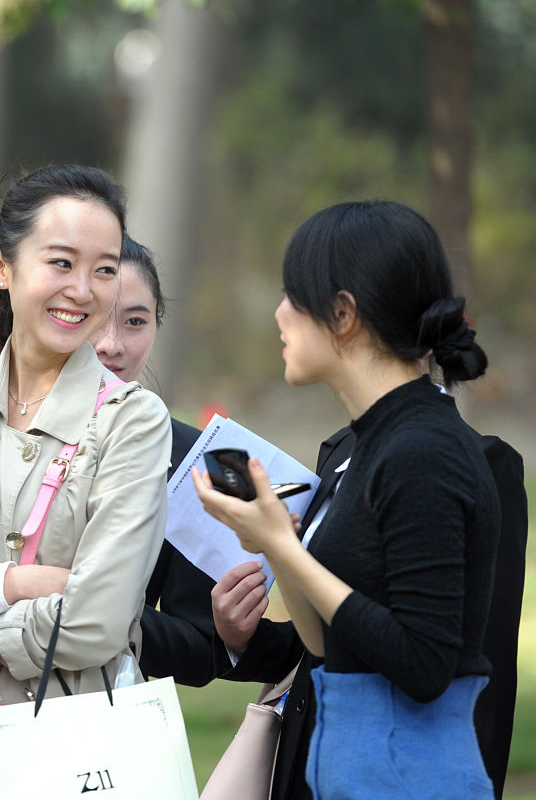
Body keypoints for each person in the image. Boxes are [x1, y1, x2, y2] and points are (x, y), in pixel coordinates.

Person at [193, 200, 499, 798]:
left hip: (409, 779)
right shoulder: (368, 443)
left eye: (292, 294)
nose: (279, 314)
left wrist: (284, 544)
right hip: (353, 774)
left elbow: (423, 664)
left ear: (343, 314)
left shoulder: (424, 453)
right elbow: (325, 643)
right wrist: (274, 544)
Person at [0, 165, 172, 703]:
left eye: (104, 269)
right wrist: (6, 588)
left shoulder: (131, 421)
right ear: (2, 267)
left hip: (67, 748)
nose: (82, 290)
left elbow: (98, 621)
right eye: (61, 263)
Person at [212, 424, 526, 799]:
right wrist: (243, 638)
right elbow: (322, 639)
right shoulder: (342, 448)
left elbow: (486, 669)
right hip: (308, 756)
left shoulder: (482, 461)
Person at [90, 235, 217, 687]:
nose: (111, 345)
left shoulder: (189, 456)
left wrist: (96, 616)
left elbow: (200, 647)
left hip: (108, 717)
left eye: (135, 322)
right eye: (97, 319)